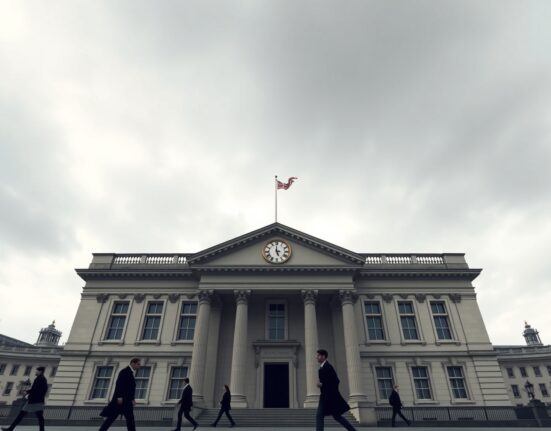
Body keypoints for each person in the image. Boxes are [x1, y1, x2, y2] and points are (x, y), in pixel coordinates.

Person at [316, 349, 357, 431]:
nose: (316, 357)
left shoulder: (328, 367)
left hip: (329, 397)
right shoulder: (322, 368)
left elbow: (336, 381)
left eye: (318, 356)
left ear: (323, 356)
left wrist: (322, 385)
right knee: (335, 416)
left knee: (321, 416)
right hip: (325, 396)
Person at [98, 357, 141, 431]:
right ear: (133, 363)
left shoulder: (130, 372)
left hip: (127, 401)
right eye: (138, 364)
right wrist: (119, 397)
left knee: (129, 419)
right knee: (113, 418)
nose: (139, 366)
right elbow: (119, 384)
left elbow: (130, 389)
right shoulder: (124, 371)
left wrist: (132, 399)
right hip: (121, 401)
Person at [2, 366, 48, 431]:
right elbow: (42, 390)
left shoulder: (39, 379)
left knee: (21, 415)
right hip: (38, 401)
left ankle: (10, 429)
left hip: (33, 402)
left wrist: (27, 393)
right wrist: (28, 392)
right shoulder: (43, 379)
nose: (35, 372)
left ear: (40, 371)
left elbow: (35, 389)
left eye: (37, 371)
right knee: (40, 417)